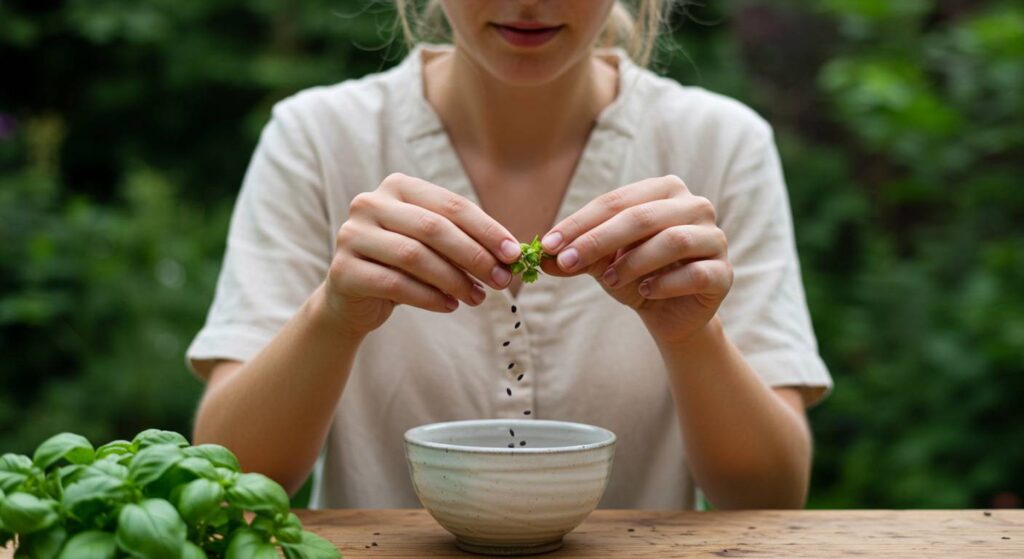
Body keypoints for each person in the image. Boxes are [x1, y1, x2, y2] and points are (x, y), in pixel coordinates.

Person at [187, 0, 832, 511]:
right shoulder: (317, 140)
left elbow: (769, 496)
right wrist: (332, 316)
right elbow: (225, 479)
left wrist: (695, 337)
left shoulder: (722, 146)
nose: (529, 2)